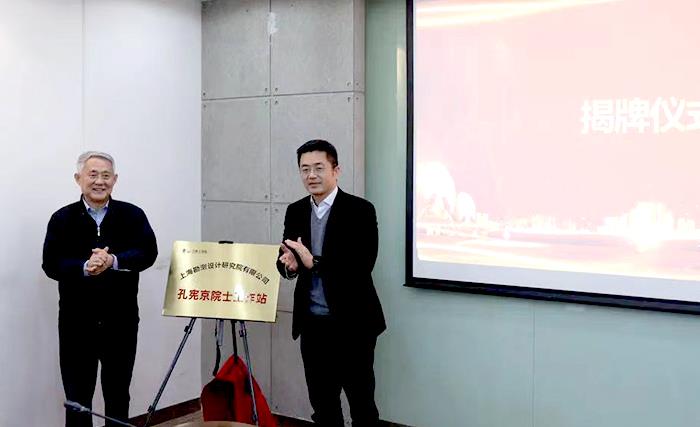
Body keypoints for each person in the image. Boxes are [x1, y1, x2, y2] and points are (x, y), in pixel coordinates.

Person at [42, 151, 158, 427]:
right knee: (77, 399)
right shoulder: (62, 218)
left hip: (121, 322)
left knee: (118, 394)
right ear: (78, 178)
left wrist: (113, 261)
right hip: (75, 323)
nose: (99, 181)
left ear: (115, 180)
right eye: (92, 175)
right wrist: (84, 266)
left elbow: (148, 253)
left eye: (106, 176)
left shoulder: (132, 215)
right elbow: (51, 263)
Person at [276, 140, 386, 427]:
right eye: (304, 169)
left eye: (318, 168)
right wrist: (289, 266)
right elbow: (286, 257)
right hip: (313, 326)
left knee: (362, 406)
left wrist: (313, 262)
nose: (311, 175)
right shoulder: (295, 210)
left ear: (336, 170)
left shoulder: (360, 210)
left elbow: (361, 265)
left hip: (354, 326)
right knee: (323, 407)